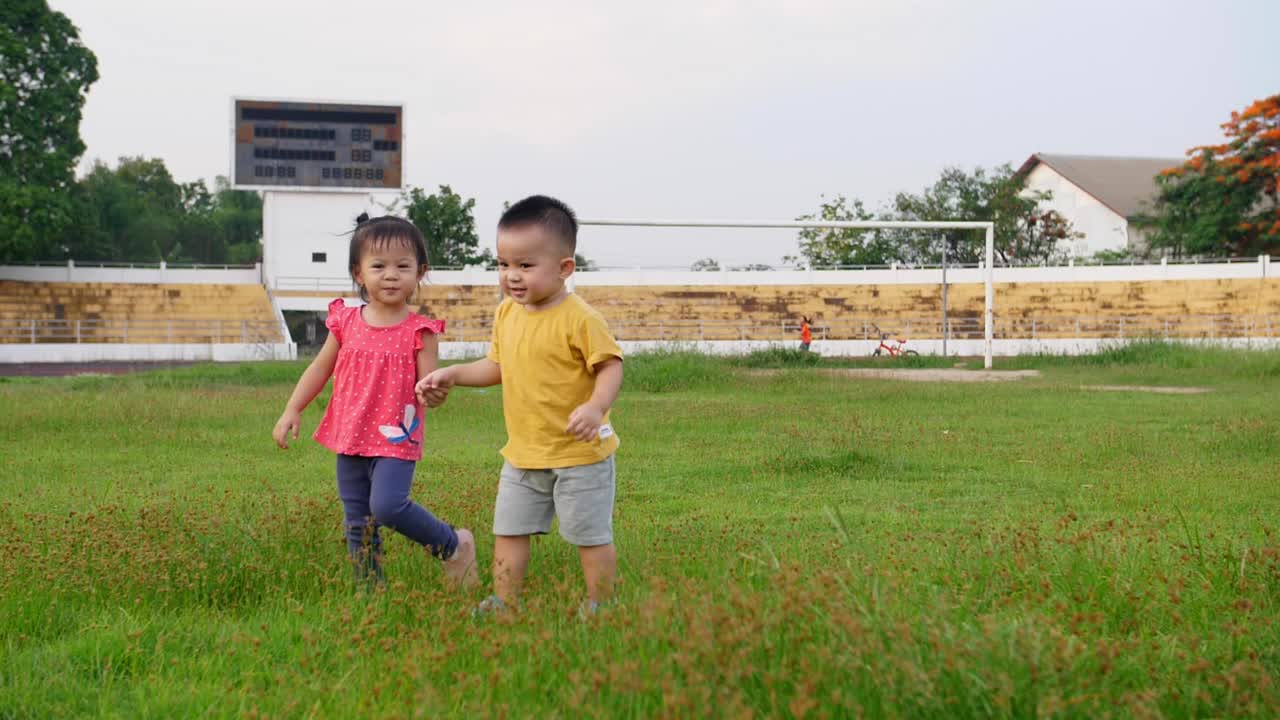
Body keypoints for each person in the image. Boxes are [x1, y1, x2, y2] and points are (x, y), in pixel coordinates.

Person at [415, 195, 623, 616]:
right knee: (508, 530)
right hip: (524, 452)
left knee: (588, 534)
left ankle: (602, 604)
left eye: (526, 266)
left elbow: (611, 366)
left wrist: (595, 407)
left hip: (579, 453)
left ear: (565, 268)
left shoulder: (581, 318)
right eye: (503, 264)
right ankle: (504, 602)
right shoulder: (508, 313)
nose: (512, 276)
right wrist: (453, 373)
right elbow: (496, 366)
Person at [272, 213, 477, 590]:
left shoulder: (421, 331)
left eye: (403, 266)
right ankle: (371, 592)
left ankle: (454, 545)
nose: (391, 275)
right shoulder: (346, 321)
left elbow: (431, 387)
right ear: (358, 272)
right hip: (350, 432)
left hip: (397, 436)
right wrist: (292, 408)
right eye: (378, 266)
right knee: (357, 521)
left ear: (420, 272)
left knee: (387, 506)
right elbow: (320, 369)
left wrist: (435, 392)